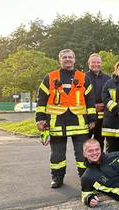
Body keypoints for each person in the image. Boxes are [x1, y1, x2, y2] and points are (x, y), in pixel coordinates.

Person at [35, 49, 96, 188]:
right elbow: (41, 100)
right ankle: (57, 178)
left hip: (79, 123)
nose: (67, 59)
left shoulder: (83, 77)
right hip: (57, 123)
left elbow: (90, 99)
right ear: (60, 59)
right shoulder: (50, 77)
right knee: (57, 155)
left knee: (82, 154)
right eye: (64, 57)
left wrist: (92, 118)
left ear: (75, 59)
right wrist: (40, 119)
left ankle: (85, 177)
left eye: (70, 57)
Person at [85, 53, 110, 150]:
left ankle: (98, 163)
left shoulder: (107, 79)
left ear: (101, 64)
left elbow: (110, 96)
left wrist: (104, 104)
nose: (96, 64)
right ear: (89, 63)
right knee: (85, 142)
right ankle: (86, 164)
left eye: (98, 62)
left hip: (102, 118)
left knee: (100, 142)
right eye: (93, 62)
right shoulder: (82, 78)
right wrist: (93, 106)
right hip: (87, 117)